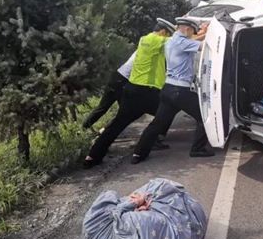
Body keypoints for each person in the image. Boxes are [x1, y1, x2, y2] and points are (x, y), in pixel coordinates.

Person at [84, 18, 176, 168]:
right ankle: (140, 152)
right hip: (149, 93)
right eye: (168, 34)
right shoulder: (157, 40)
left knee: (116, 125)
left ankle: (92, 157)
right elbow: (181, 41)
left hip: (132, 91)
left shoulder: (144, 40)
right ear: (163, 32)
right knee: (165, 114)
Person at [131, 17, 214, 164]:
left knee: (157, 124)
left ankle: (138, 153)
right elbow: (205, 46)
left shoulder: (171, 41)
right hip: (180, 90)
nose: (193, 34)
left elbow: (194, 40)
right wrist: (211, 32)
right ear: (187, 29)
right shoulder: (182, 42)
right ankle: (198, 149)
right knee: (204, 116)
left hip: (168, 89)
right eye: (192, 31)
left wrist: (204, 32)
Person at [82, 52, 136, 130]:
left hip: (118, 78)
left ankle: (88, 128)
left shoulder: (142, 50)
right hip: (120, 81)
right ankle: (89, 128)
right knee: (122, 111)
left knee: (106, 108)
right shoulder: (144, 53)